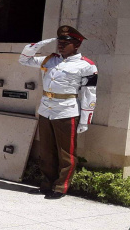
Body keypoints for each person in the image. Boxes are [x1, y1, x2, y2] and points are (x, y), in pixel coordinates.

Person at [19, 25, 97, 199]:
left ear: (76, 45)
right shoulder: (50, 60)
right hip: (46, 109)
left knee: (66, 153)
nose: (61, 45)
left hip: (66, 110)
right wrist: (41, 43)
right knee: (46, 150)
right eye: (59, 41)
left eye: (66, 42)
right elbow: (24, 59)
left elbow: (89, 94)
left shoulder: (86, 66)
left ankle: (61, 186)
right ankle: (47, 183)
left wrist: (85, 120)